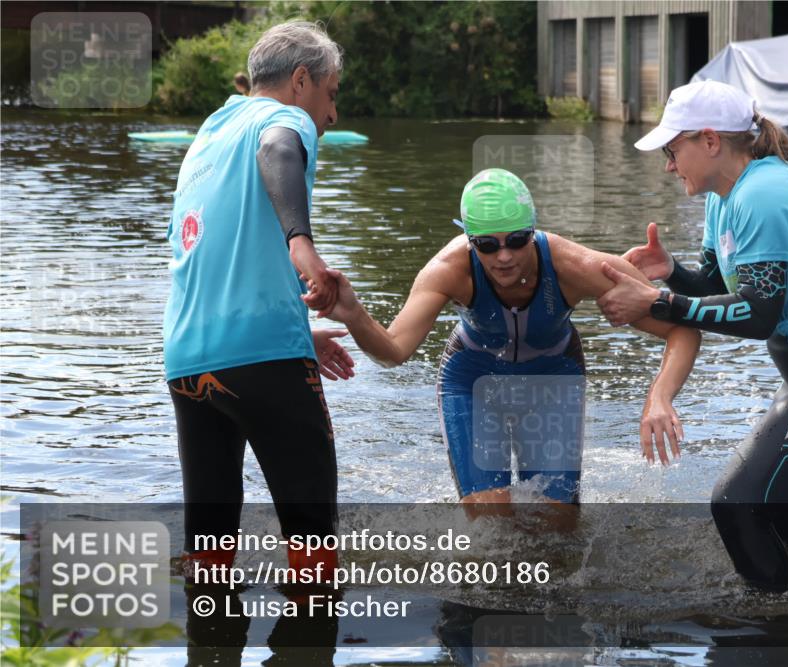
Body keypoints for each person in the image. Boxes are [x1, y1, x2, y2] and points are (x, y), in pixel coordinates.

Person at [597, 80, 788, 590]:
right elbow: (717, 287)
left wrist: (658, 303)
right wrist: (671, 271)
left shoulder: (765, 193)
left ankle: (780, 630)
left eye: (673, 151)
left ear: (710, 140)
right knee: (775, 529)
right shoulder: (727, 197)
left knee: (736, 505)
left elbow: (760, 314)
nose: (670, 166)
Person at [322, 168, 701, 505]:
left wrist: (659, 397)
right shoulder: (448, 270)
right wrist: (354, 314)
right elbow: (394, 351)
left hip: (553, 379)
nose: (503, 256)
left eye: (517, 240)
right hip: (472, 379)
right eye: (487, 244)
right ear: (469, 239)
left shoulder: (577, 266)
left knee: (558, 534)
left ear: (533, 232)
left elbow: (682, 329)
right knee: (490, 518)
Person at [163, 22, 353, 578]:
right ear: (301, 81)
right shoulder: (282, 119)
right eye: (331, 94)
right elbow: (279, 149)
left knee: (207, 554)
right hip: (264, 359)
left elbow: (213, 250)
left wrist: (295, 327)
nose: (331, 114)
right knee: (314, 554)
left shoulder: (211, 131)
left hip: (189, 362)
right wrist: (302, 243)